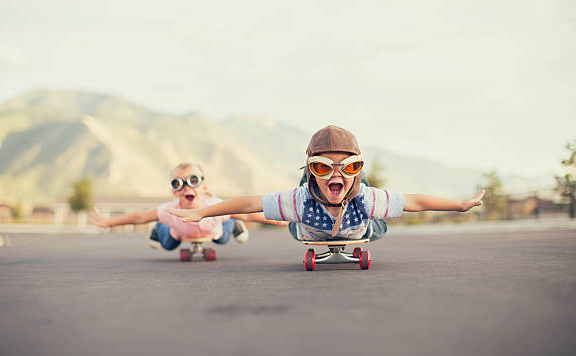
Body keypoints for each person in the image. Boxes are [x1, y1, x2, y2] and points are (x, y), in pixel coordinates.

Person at [168, 126, 486, 242]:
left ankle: (351, 179)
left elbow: (415, 202)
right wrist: (203, 213)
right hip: (307, 226)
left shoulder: (368, 199)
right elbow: (249, 202)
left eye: (349, 167)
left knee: (377, 221)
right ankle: (313, 178)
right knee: (294, 216)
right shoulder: (299, 201)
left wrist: (459, 205)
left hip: (361, 227)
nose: (336, 174)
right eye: (322, 166)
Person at [90, 162, 284, 251]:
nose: (186, 187)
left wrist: (277, 220)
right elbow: (140, 217)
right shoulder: (170, 211)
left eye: (193, 180)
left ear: (204, 187)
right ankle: (159, 229)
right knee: (167, 244)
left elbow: (249, 215)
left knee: (224, 236)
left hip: (214, 229)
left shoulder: (215, 206)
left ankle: (233, 224)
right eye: (178, 183)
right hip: (179, 232)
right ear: (174, 191)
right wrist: (109, 222)